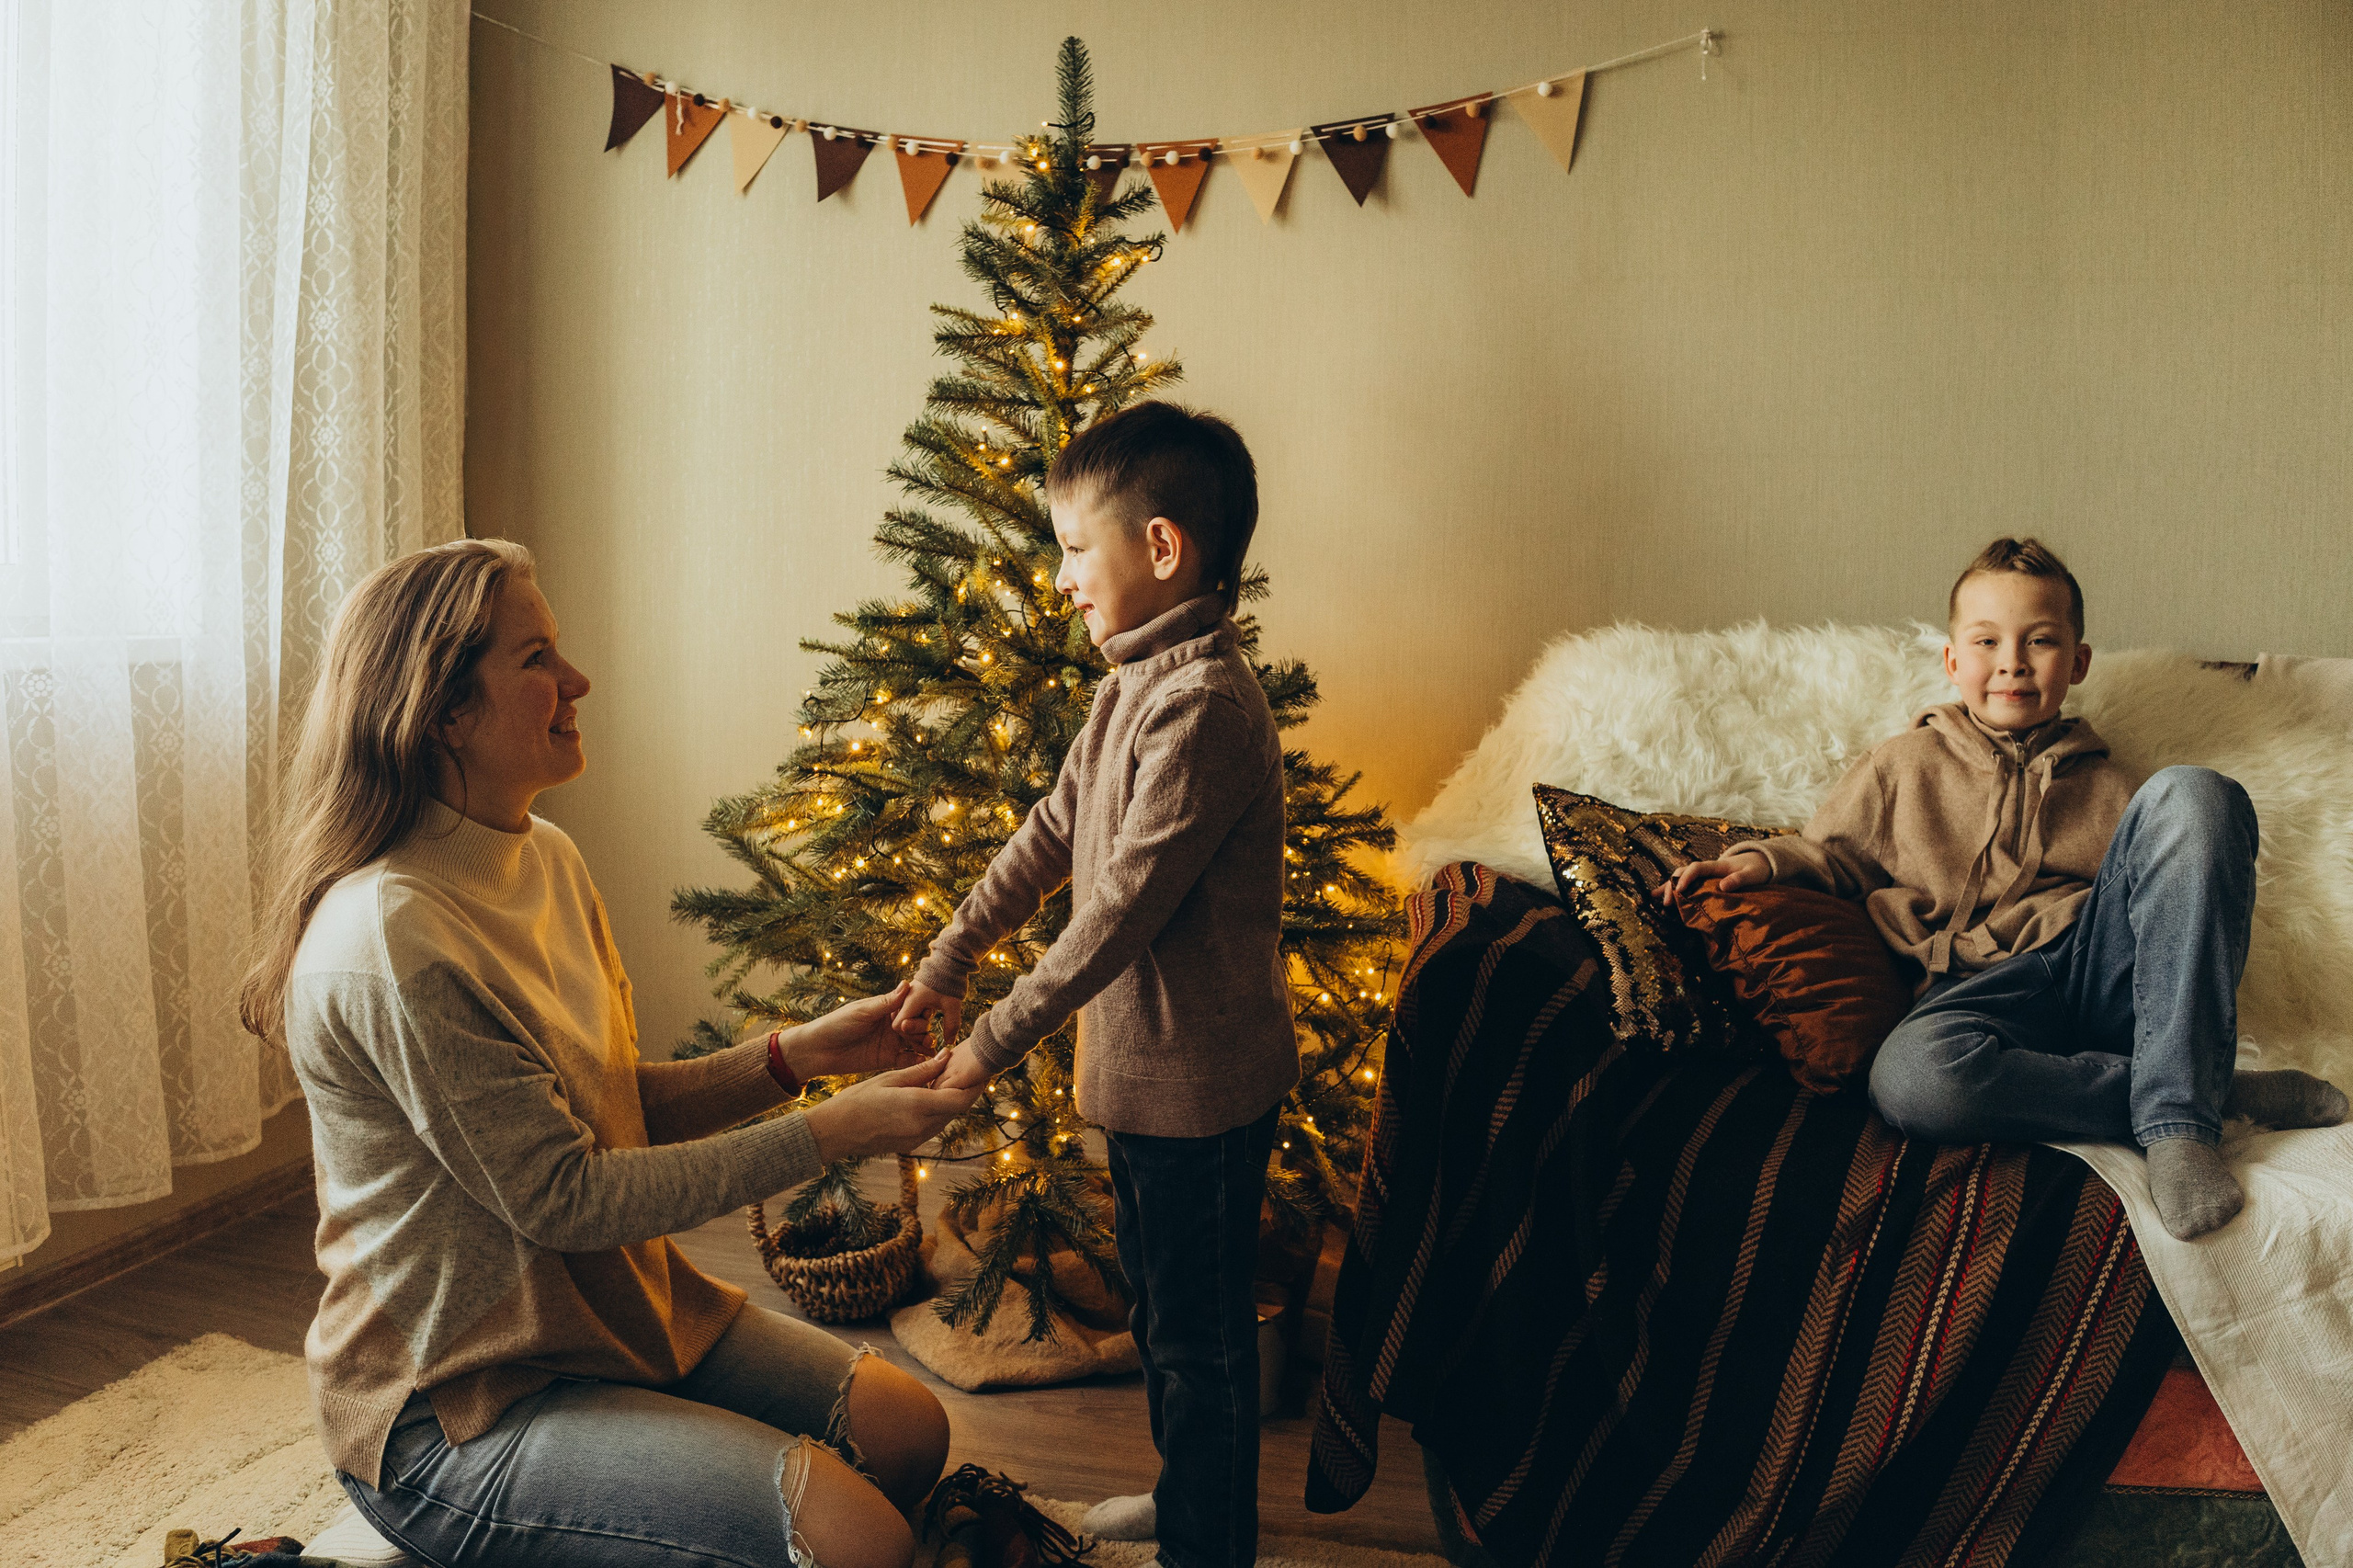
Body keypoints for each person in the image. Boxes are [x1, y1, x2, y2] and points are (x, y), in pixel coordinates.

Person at [241, 539, 980, 1568]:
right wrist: (829, 1131)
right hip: (461, 1408)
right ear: (446, 709)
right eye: (537, 657)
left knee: (908, 1432)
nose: (577, 680)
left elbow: (599, 1104)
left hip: (611, 1325)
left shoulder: (543, 853)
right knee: (858, 1543)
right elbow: (567, 1197)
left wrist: (795, 1055)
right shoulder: (391, 937)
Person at [1661, 536, 2347, 1240]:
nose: (2013, 661)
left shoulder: (2111, 783)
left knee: (2196, 793)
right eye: (1987, 641)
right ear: (1954, 661)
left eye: (2040, 641)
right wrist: (1760, 864)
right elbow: (1830, 853)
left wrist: (2168, 832)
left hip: (2096, 971)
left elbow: (2172, 907)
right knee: (1910, 1081)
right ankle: (2201, 1091)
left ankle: (2180, 1123)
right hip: (1975, 998)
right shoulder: (1903, 766)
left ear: (2077, 662)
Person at [890, 402, 1296, 1568]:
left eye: (1074, 545)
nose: (1060, 575)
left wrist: (985, 1049)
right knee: (1164, 1318)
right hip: (1143, 1087)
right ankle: (1184, 1503)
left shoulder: (1205, 705)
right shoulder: (1130, 680)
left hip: (1204, 1097)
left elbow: (1112, 915)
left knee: (1200, 1345)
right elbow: (1051, 831)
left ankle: (1205, 1546)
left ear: (1160, 548)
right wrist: (949, 955)